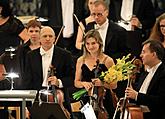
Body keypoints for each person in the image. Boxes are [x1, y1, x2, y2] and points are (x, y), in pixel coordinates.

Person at [23, 26, 75, 118]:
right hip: (37, 98)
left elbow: (72, 78)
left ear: (54, 38)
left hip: (57, 97)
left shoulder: (65, 55)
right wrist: (27, 104)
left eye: (50, 36)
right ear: (39, 38)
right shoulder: (30, 55)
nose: (48, 39)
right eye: (45, 36)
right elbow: (27, 80)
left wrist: (59, 82)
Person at [74, 29, 117, 119]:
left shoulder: (108, 60)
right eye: (87, 44)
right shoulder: (81, 60)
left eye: (93, 43)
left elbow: (114, 85)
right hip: (87, 99)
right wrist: (83, 83)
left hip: (104, 100)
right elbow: (76, 83)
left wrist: (102, 83)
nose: (90, 46)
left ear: (99, 43)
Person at [125, 39, 165, 119]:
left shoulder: (163, 73)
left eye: (143, 52)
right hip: (141, 115)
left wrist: (137, 96)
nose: (140, 55)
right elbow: (138, 96)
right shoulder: (145, 73)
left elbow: (161, 100)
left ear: (154, 54)